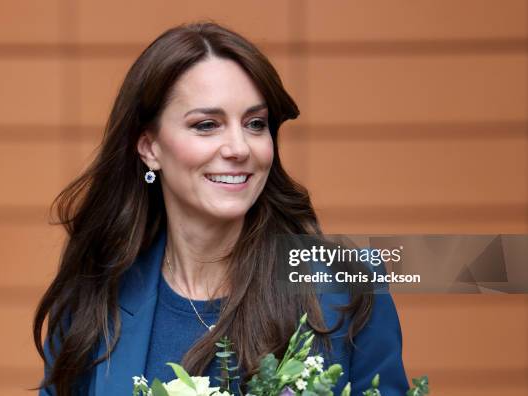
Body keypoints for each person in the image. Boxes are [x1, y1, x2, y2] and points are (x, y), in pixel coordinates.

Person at [33, 21, 409, 396]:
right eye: (207, 124)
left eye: (255, 124)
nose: (239, 147)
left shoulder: (348, 286)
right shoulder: (93, 298)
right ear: (150, 148)